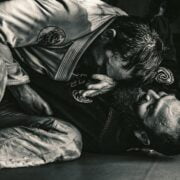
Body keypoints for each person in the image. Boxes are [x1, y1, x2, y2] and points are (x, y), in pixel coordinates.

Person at [0, 0, 164, 115]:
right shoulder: (66, 15)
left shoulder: (123, 25)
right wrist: (19, 87)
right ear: (107, 36)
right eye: (102, 67)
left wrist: (113, 83)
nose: (99, 75)